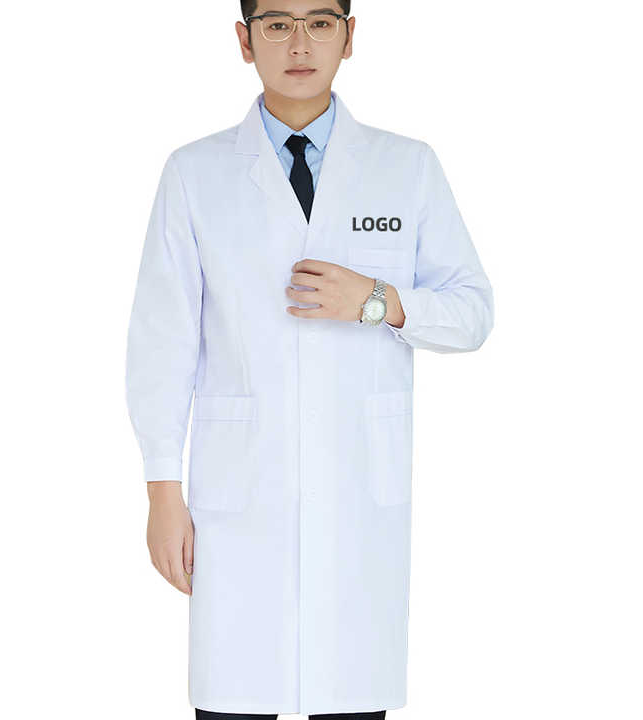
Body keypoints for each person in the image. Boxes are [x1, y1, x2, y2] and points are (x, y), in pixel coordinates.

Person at [125, 1, 495, 718]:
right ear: (245, 40)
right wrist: (162, 493)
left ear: (350, 37)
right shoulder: (195, 174)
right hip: (239, 498)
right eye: (277, 24)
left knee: (349, 696)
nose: (299, 43)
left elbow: (473, 312)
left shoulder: (407, 167)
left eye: (321, 22)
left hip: (359, 497)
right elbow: (160, 344)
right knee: (235, 696)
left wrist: (378, 300)